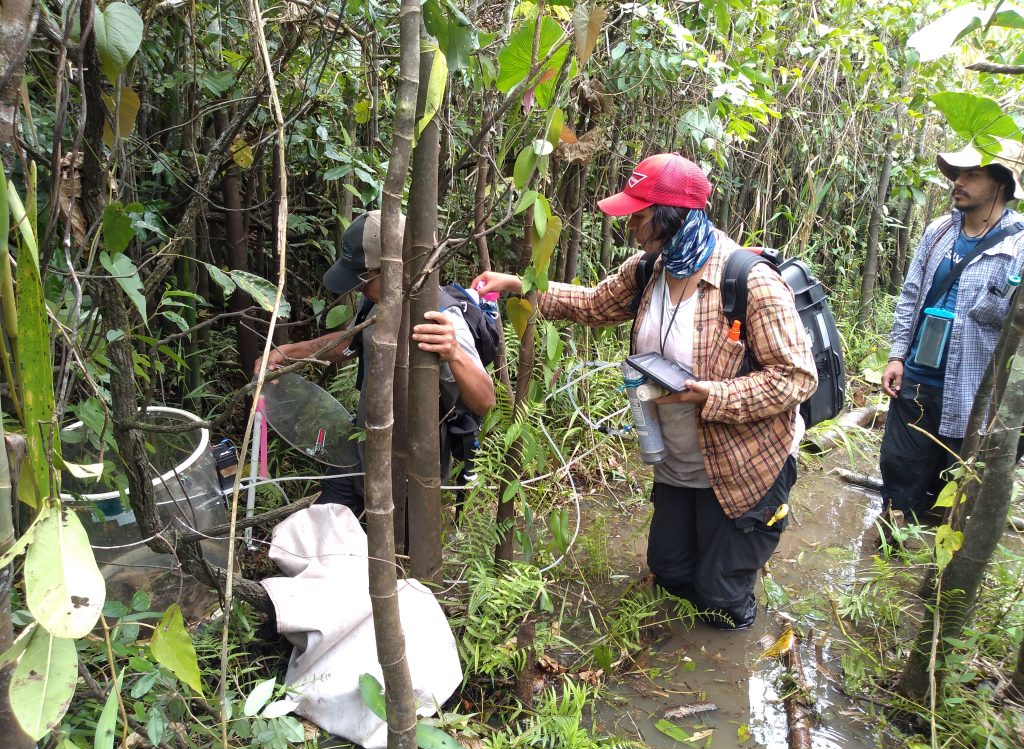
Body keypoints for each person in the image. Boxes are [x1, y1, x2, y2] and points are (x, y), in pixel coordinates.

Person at [475, 153, 817, 629]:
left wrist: (714, 396)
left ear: (672, 215)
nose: (631, 222)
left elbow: (797, 377)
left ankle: (730, 661)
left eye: (639, 212)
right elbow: (593, 303)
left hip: (743, 466)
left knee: (719, 598)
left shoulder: (750, 282)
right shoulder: (650, 268)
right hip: (677, 458)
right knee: (672, 574)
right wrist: (520, 286)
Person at [258, 210, 496, 518]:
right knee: (322, 526)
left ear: (396, 267)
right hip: (362, 448)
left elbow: (485, 401)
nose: (356, 286)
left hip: (410, 469)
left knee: (388, 557)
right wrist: (288, 351)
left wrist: (454, 354)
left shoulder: (440, 319)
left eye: (362, 276)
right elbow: (350, 342)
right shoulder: (376, 298)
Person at [880, 144, 1024, 522]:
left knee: (959, 485)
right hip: (917, 378)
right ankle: (890, 547)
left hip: (975, 390)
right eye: (956, 174)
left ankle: (938, 572)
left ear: (1001, 184)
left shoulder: (1019, 246)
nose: (957, 182)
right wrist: (897, 355)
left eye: (971, 175)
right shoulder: (939, 230)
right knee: (899, 469)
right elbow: (911, 295)